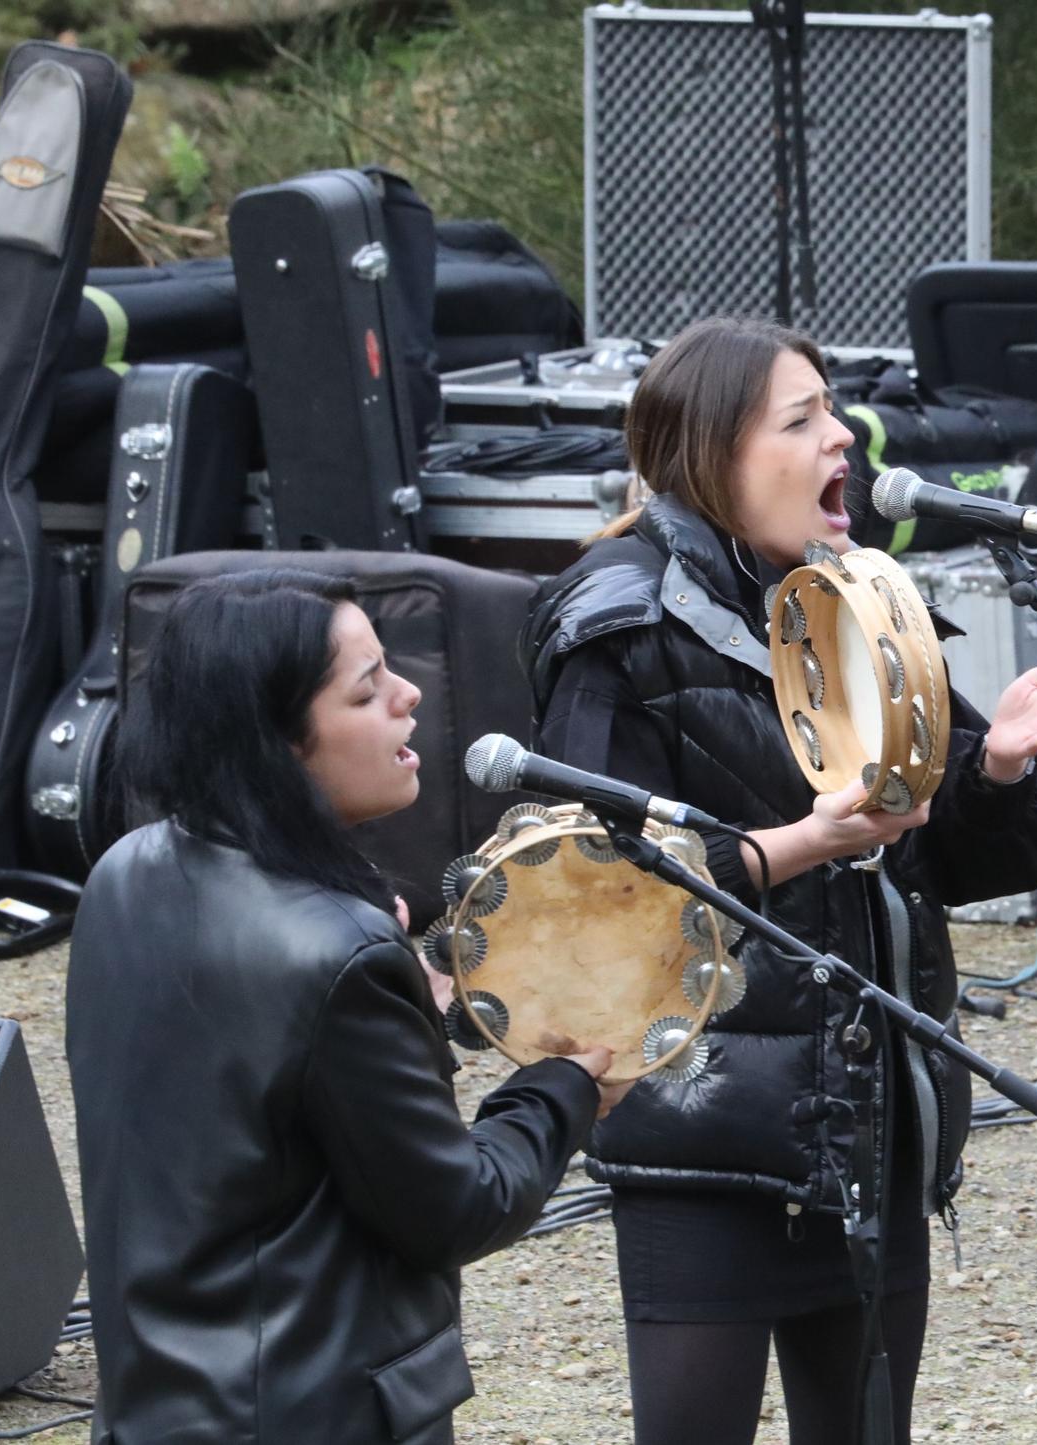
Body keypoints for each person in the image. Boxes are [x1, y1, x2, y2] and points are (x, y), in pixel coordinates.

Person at [518, 315, 1037, 1445]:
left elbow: (950, 858)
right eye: (804, 419)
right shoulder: (617, 621)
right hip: (704, 1139)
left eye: (834, 412)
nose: (844, 442)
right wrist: (800, 843)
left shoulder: (856, 598)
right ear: (715, 451)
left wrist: (1004, 769)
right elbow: (585, 904)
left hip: (867, 1116)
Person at [66, 570, 625, 1444]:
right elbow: (457, 1207)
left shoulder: (125, 873)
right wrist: (563, 1088)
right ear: (279, 739)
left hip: (160, 1407)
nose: (409, 696)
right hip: (310, 1413)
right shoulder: (336, 950)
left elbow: (247, 1100)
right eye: (367, 689)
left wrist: (405, 1001)